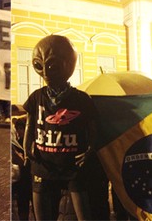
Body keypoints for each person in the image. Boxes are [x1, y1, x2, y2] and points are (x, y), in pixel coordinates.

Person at [23, 35, 98, 220]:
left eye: (52, 65)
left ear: (67, 64)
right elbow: (29, 124)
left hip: (72, 165)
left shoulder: (82, 99)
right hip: (43, 164)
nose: (47, 74)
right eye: (40, 66)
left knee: (83, 214)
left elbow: (93, 128)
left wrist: (90, 150)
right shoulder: (36, 97)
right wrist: (27, 148)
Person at [11, 115, 33, 221]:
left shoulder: (32, 145)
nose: (20, 131)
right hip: (22, 182)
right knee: (23, 208)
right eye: (18, 129)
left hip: (32, 180)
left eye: (22, 128)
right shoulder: (17, 144)